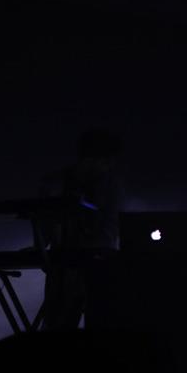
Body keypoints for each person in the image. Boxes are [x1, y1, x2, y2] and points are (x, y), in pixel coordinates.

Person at [40, 127, 125, 330]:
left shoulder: (109, 184)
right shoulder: (59, 183)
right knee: (63, 319)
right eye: (106, 161)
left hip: (87, 261)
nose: (109, 167)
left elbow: (111, 227)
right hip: (73, 262)